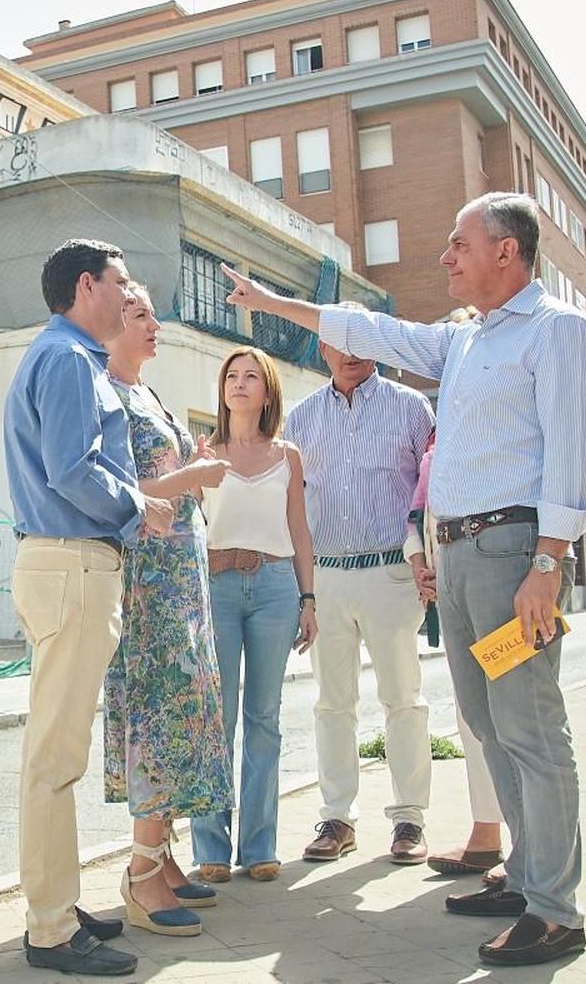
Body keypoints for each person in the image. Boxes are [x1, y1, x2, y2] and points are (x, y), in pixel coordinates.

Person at [219, 191, 586, 968]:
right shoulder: (463, 343)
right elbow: (376, 330)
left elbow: (574, 452)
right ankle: (524, 878)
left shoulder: (557, 331)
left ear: (507, 250)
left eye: (459, 243)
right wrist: (269, 303)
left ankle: (556, 911)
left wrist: (548, 563)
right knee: (488, 723)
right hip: (460, 557)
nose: (445, 257)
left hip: (513, 553)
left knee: (530, 726)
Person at [4, 239, 175, 977]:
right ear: (86, 287)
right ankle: (48, 931)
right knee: (54, 760)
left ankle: (57, 909)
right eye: (121, 281)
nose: (130, 291)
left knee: (57, 755)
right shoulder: (72, 361)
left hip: (66, 562)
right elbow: (73, 469)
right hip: (73, 561)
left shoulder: (64, 356)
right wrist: (142, 507)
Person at [101, 284, 232, 937]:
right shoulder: (108, 395)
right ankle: (141, 870)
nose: (155, 323)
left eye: (154, 312)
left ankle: (166, 853)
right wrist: (190, 478)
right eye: (139, 314)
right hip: (151, 582)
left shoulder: (149, 393)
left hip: (185, 579)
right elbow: (122, 491)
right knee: (161, 712)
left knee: (187, 707)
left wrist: (196, 463)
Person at [282, 313, 435, 867]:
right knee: (331, 704)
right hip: (325, 577)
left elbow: (430, 492)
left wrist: (429, 562)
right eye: (339, 341)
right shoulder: (299, 418)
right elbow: (288, 504)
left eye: (360, 339)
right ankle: (337, 818)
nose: (350, 351)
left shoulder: (412, 408)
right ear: (321, 346)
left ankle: (410, 820)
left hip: (391, 574)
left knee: (403, 699)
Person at [188, 346, 318, 885]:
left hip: (275, 588)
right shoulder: (202, 453)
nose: (239, 384)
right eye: (231, 376)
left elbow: (300, 530)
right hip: (216, 587)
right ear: (222, 390)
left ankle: (260, 844)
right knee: (217, 717)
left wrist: (309, 599)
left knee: (265, 718)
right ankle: (211, 849)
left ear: (267, 392)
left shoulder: (288, 456)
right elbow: (191, 528)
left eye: (250, 377)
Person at [408, 320, 508, 879]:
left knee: (516, 711)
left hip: (503, 580)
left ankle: (530, 852)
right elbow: (419, 508)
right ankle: (487, 831)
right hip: (452, 585)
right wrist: (420, 561)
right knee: (474, 715)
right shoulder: (438, 434)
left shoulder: (503, 421)